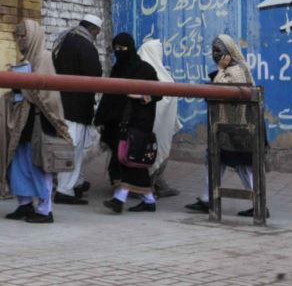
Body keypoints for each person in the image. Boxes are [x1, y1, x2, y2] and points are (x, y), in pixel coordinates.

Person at [0, 19, 72, 224]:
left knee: (38, 165)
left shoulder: (43, 58)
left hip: (39, 122)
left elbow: (47, 95)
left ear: (33, 36)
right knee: (19, 164)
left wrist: (24, 86)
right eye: (17, 36)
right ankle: (24, 204)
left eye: (23, 36)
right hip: (23, 122)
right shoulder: (27, 59)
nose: (20, 40)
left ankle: (45, 209)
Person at [185, 35, 266, 218]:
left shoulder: (236, 70)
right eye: (213, 51)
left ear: (229, 54)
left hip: (240, 129)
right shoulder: (228, 69)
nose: (216, 55)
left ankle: (259, 204)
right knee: (215, 161)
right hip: (226, 128)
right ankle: (207, 199)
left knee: (244, 166)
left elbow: (218, 91)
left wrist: (221, 70)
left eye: (219, 52)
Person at [94, 33, 161, 213]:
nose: (119, 52)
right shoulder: (118, 69)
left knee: (130, 159)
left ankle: (120, 198)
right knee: (127, 159)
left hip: (139, 123)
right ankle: (147, 199)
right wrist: (101, 118)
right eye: (115, 49)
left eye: (122, 49)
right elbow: (109, 97)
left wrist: (140, 96)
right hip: (120, 123)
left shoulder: (145, 70)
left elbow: (159, 93)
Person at [51, 13, 103, 205]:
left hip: (62, 103)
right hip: (78, 107)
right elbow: (95, 74)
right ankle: (65, 190)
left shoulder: (65, 40)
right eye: (97, 33)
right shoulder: (86, 45)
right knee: (74, 149)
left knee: (69, 148)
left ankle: (75, 183)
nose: (96, 36)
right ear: (93, 30)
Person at [137, 38, 182, 198]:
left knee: (152, 152)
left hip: (154, 124)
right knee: (150, 152)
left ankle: (153, 186)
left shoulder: (155, 71)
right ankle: (146, 190)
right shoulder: (148, 71)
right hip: (149, 123)